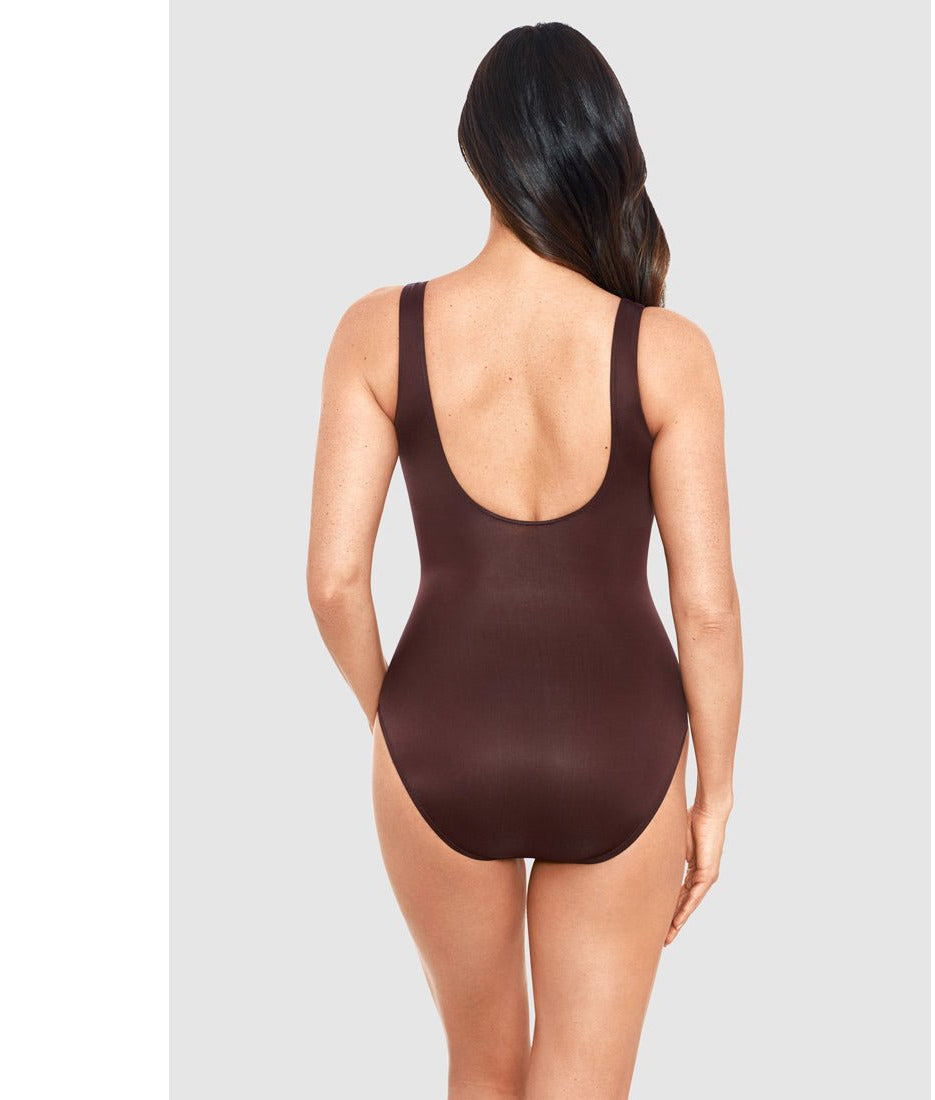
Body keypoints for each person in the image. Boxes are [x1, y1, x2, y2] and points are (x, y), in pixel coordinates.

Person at [307, 22, 742, 1099]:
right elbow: (706, 607)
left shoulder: (378, 330)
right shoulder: (666, 350)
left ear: (478, 153)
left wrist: (393, 717)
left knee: (479, 1066)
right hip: (621, 746)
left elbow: (333, 579)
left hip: (439, 738)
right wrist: (716, 791)